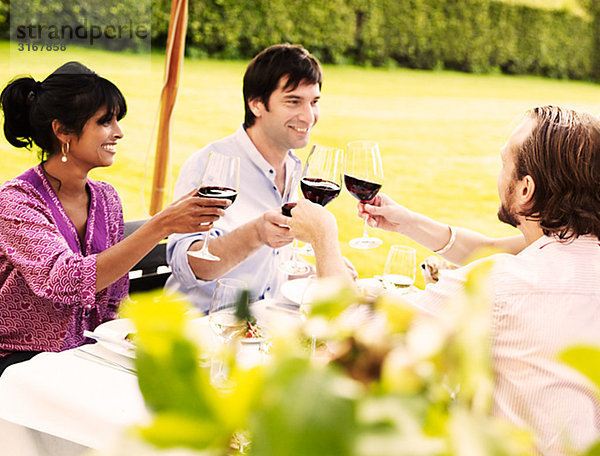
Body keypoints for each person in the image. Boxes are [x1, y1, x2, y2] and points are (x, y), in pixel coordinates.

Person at [289, 106, 600, 455]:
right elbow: (490, 247)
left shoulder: (501, 283)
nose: (499, 174)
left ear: (525, 188)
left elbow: (357, 337)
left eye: (504, 162)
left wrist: (323, 236)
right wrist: (406, 221)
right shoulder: (577, 254)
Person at [0, 62, 225, 376]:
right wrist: (161, 224)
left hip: (88, 357)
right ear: (62, 130)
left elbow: (115, 300)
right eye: (105, 121)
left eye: (117, 120)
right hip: (21, 366)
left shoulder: (106, 199)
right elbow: (66, 280)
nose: (119, 132)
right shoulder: (16, 202)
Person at [166, 44, 322, 311]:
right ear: (257, 104)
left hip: (260, 326)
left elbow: (271, 264)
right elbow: (188, 266)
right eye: (294, 101)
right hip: (198, 327)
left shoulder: (297, 170)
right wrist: (256, 233)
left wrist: (314, 271)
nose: (309, 116)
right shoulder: (210, 165)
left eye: (314, 102)